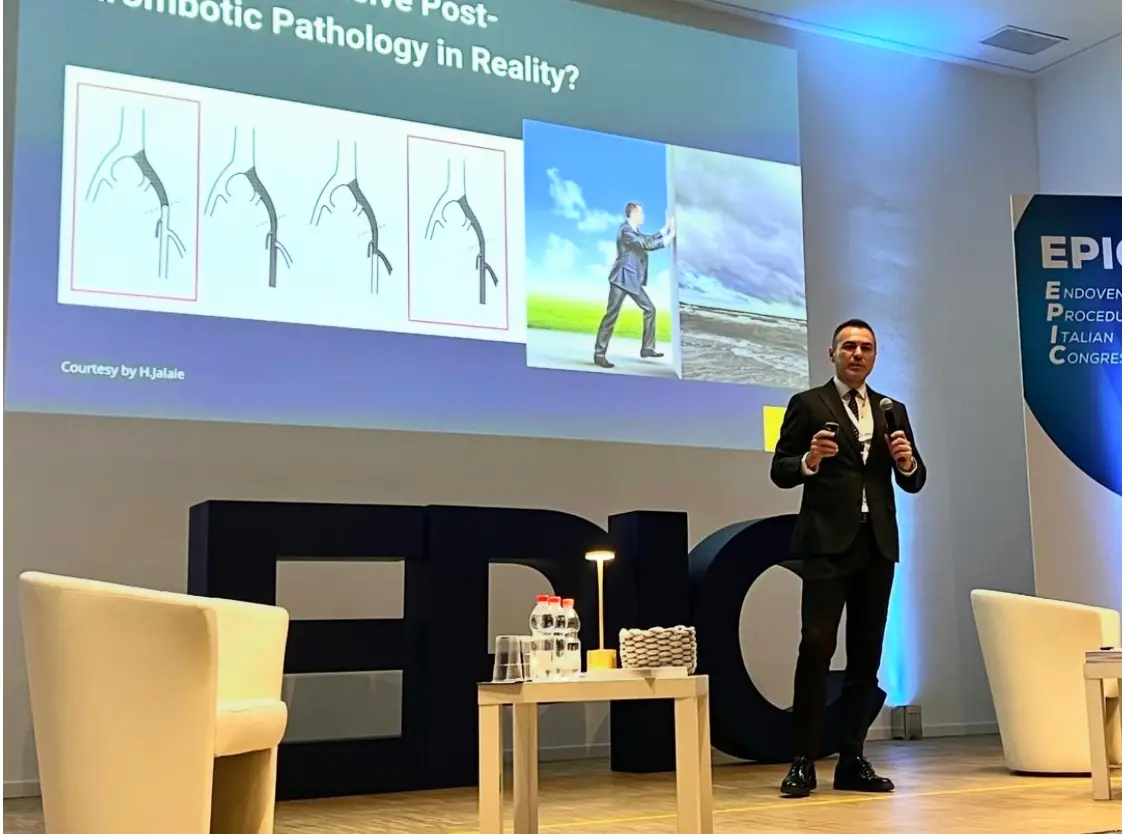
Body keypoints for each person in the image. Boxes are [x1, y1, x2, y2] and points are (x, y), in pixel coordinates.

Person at [769, 318, 926, 798]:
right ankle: (803, 760)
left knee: (866, 654)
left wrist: (906, 462)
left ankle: (852, 759)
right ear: (832, 353)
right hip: (826, 544)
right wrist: (810, 460)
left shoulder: (891, 409)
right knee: (816, 648)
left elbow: (914, 479)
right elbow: (780, 470)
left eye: (866, 348)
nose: (858, 354)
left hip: (876, 544)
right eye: (849, 346)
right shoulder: (808, 404)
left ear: (874, 356)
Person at [593, 202, 674, 368]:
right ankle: (599, 354)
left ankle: (647, 348)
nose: (643, 216)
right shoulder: (625, 230)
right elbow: (645, 243)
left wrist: (664, 230)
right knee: (611, 316)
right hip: (621, 279)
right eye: (641, 213)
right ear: (634, 213)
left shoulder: (633, 231)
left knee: (650, 309)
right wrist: (669, 237)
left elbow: (645, 239)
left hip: (633, 281)